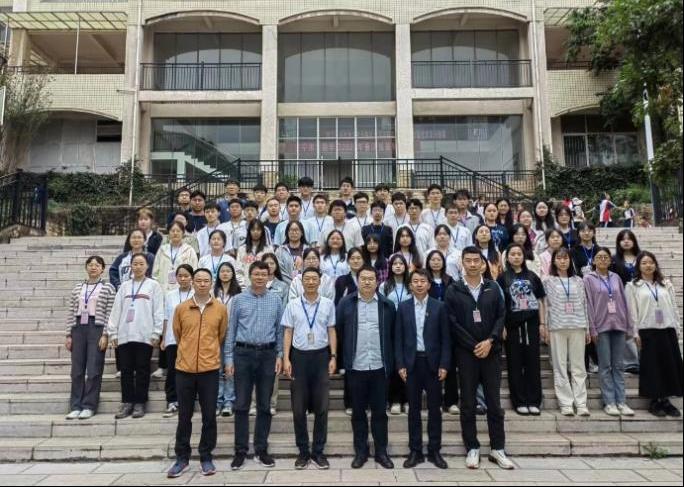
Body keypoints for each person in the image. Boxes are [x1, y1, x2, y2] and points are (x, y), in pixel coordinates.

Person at [445, 246, 513, 470]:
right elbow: (452, 322)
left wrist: (490, 341)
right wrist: (474, 345)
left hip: (491, 352)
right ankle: (472, 447)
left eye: (477, 260)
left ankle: (497, 448)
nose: (473, 264)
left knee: (494, 402)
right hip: (467, 354)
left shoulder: (493, 287)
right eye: (469, 260)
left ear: (483, 263)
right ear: (462, 263)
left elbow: (501, 316)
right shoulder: (454, 289)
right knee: (467, 402)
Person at [166, 268, 228, 479]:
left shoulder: (220, 309)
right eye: (198, 280)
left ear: (211, 283)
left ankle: (206, 456)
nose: (202, 284)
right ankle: (182, 458)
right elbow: (178, 334)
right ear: (192, 282)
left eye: (206, 281)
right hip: (184, 369)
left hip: (209, 370)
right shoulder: (181, 308)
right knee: (184, 415)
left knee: (209, 415)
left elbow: (220, 335)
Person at [225, 261, 284, 471]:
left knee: (264, 405)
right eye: (256, 274)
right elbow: (231, 330)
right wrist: (229, 358)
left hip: (268, 355)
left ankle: (261, 449)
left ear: (269, 277)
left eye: (263, 274)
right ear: (250, 276)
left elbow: (279, 330)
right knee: (241, 404)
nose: (260, 277)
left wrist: (280, 355)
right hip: (243, 354)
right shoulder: (238, 300)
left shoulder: (276, 300)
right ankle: (240, 451)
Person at [336, 266, 396, 470]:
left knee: (380, 413)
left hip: (380, 366)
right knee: (358, 413)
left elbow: (392, 335)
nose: (367, 282)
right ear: (358, 281)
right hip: (356, 367)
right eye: (363, 278)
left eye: (371, 279)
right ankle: (361, 452)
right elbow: (340, 332)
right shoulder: (346, 303)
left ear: (377, 282)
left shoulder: (387, 305)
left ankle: (381, 452)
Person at [282, 267, 337, 470]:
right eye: (307, 279)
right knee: (298, 408)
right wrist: (286, 358)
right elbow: (288, 332)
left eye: (314, 279)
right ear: (301, 282)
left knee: (322, 407)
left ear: (320, 282)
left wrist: (333, 356)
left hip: (321, 357)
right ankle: (303, 452)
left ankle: (318, 452)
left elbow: (331, 330)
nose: (311, 282)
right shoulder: (293, 305)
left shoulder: (328, 304)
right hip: (299, 357)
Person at [396, 269, 450, 469]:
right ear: (410, 285)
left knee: (435, 409)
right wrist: (400, 364)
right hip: (412, 364)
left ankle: (434, 451)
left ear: (429, 284)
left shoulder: (439, 307)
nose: (419, 284)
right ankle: (415, 451)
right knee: (414, 410)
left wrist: (444, 364)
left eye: (423, 281)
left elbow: (446, 339)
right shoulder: (403, 307)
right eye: (415, 281)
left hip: (433, 364)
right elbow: (398, 339)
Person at [107, 253, 164, 419]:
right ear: (130, 266)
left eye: (141, 264)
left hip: (144, 335)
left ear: (147, 266)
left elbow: (158, 310)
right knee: (125, 370)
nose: (138, 267)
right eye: (135, 264)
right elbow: (116, 310)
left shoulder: (154, 286)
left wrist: (157, 332)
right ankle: (127, 402)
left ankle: (140, 402)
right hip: (124, 335)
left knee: (142, 369)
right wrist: (113, 332)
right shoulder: (124, 286)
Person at [626, 252, 682, 418]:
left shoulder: (665, 284)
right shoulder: (633, 286)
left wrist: (677, 326)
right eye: (644, 263)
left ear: (655, 264)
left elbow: (673, 307)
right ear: (638, 266)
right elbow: (631, 311)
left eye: (651, 262)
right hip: (647, 330)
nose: (648, 265)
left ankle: (666, 400)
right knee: (652, 366)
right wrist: (635, 332)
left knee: (668, 365)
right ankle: (655, 401)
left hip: (667, 329)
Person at [583, 247, 635, 417]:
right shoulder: (588, 279)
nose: (603, 260)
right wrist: (592, 328)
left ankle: (621, 401)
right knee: (605, 366)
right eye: (599, 257)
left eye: (606, 257)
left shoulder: (616, 278)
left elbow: (623, 302)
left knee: (619, 365)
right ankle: (609, 402)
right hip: (601, 327)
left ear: (610, 260)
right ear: (594, 261)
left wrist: (629, 325)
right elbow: (589, 305)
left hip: (619, 325)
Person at [498, 244, 547, 416]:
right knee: (515, 364)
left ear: (523, 257)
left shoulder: (532, 276)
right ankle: (519, 401)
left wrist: (542, 324)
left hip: (531, 325)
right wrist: (502, 326)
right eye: (513, 254)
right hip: (512, 327)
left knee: (533, 363)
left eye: (519, 254)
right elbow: (500, 305)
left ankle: (534, 401)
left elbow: (540, 301)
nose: (516, 257)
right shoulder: (502, 278)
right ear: (507, 258)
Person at [65, 256, 115, 420]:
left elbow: (110, 312)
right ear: (86, 267)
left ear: (102, 269)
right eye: (90, 265)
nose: (93, 267)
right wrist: (69, 334)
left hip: (97, 327)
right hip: (78, 327)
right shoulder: (77, 288)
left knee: (94, 369)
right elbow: (71, 311)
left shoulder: (108, 288)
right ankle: (75, 406)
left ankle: (89, 406)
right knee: (77, 370)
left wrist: (106, 334)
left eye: (97, 265)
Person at [543, 248, 590, 417]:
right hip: (557, 327)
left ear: (570, 261)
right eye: (559, 258)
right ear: (554, 261)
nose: (562, 261)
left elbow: (584, 305)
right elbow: (545, 305)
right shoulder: (548, 281)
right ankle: (566, 403)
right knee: (560, 367)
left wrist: (587, 328)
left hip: (578, 326)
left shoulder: (579, 281)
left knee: (579, 367)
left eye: (565, 258)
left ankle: (581, 403)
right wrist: (545, 327)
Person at [161, 265, 195, 419]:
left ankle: (188, 401)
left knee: (189, 371)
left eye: (186, 275)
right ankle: (172, 400)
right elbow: (166, 317)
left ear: (192, 277)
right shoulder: (170, 295)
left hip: (191, 339)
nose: (183, 278)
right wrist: (163, 337)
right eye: (180, 276)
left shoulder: (197, 294)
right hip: (172, 338)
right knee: (172, 371)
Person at [380, 254, 411, 416]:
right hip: (390, 327)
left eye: (401, 263)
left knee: (408, 363)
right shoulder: (384, 286)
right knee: (393, 365)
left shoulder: (410, 284)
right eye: (395, 263)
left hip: (408, 327)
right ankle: (395, 400)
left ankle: (407, 400)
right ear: (390, 267)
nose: (398, 266)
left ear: (405, 266)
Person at [610, 229, 642, 375]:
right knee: (627, 329)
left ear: (634, 241)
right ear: (619, 242)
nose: (626, 241)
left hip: (642, 296)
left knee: (642, 327)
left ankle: (644, 358)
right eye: (623, 239)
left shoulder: (641, 257)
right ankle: (631, 362)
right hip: (622, 298)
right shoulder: (614, 260)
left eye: (629, 239)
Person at [214, 262, 241, 417]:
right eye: (222, 271)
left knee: (229, 369)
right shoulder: (213, 291)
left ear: (232, 274)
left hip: (233, 333)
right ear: (218, 274)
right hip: (216, 334)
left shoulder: (238, 292)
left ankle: (229, 402)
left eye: (228, 271)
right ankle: (218, 401)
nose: (225, 274)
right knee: (217, 369)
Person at [153, 222, 199, 294]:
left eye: (178, 231)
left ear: (183, 233)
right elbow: (155, 273)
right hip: (163, 289)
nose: (175, 233)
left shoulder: (189, 250)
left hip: (184, 289)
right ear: (168, 233)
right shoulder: (162, 250)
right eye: (172, 231)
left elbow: (194, 271)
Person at [236, 219, 274, 287]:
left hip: (264, 287)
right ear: (249, 231)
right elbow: (238, 271)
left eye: (258, 229)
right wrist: (243, 287)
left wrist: (267, 286)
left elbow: (271, 270)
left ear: (262, 232)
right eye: (253, 229)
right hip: (246, 287)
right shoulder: (242, 249)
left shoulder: (268, 249)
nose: (255, 232)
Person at [275, 220, 309, 286]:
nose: (294, 233)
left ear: (302, 233)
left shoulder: (308, 250)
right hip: (285, 286)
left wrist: (301, 283)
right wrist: (292, 283)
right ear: (287, 233)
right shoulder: (280, 251)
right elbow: (280, 271)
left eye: (296, 230)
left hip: (305, 285)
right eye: (291, 230)